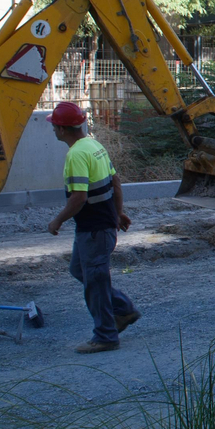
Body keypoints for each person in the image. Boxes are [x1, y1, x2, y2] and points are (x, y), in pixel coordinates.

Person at [44, 100, 138, 353]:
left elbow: (79, 197)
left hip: (94, 230)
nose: (53, 130)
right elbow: (115, 182)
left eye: (54, 126)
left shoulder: (76, 154)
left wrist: (57, 220)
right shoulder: (94, 145)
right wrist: (118, 213)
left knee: (94, 282)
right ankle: (124, 309)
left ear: (62, 129)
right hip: (100, 226)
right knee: (80, 270)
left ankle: (106, 336)